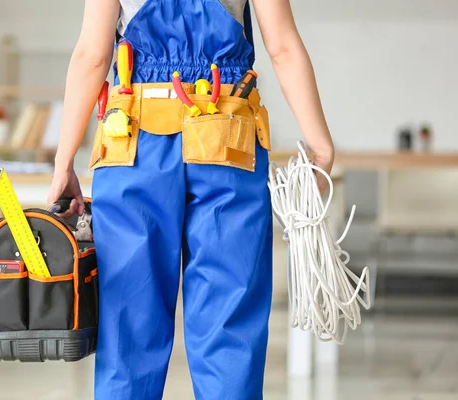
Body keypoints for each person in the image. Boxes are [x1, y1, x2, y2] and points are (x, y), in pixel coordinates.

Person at [48, 0, 334, 398]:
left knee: (127, 318)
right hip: (226, 133)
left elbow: (93, 55)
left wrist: (64, 164)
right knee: (228, 320)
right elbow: (282, 48)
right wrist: (320, 144)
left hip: (133, 139)